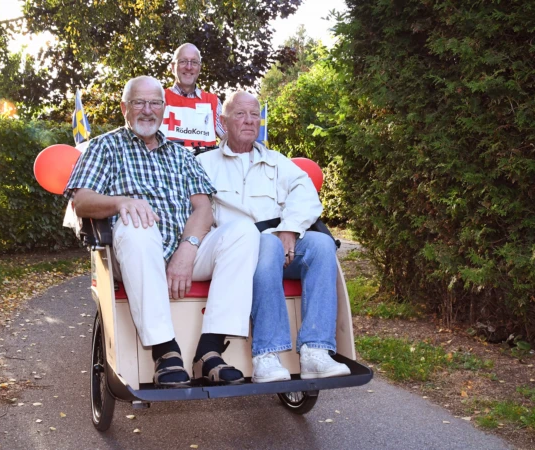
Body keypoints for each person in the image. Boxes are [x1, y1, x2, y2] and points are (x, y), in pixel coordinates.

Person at [64, 76, 259, 387]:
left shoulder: (181, 155)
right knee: (136, 222)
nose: (147, 110)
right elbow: (81, 202)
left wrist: (188, 249)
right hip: (134, 252)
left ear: (164, 108)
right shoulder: (105, 147)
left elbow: (203, 209)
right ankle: (165, 352)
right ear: (124, 108)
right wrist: (123, 202)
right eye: (139, 102)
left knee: (244, 231)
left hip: (185, 252)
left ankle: (209, 351)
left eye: (155, 103)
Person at [196, 91, 351, 383]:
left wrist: (289, 228)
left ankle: (316, 350)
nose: (249, 120)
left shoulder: (277, 161)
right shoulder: (205, 163)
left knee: (321, 244)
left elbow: (306, 195)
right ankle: (266, 354)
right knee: (265, 242)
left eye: (255, 115)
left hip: (282, 244)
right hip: (235, 254)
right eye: (241, 114)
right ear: (223, 121)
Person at [162, 43, 225, 147]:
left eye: (194, 62)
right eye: (183, 61)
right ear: (173, 67)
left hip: (203, 163)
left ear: (199, 68)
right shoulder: (159, 99)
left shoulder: (212, 102)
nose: (189, 67)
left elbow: (231, 139)